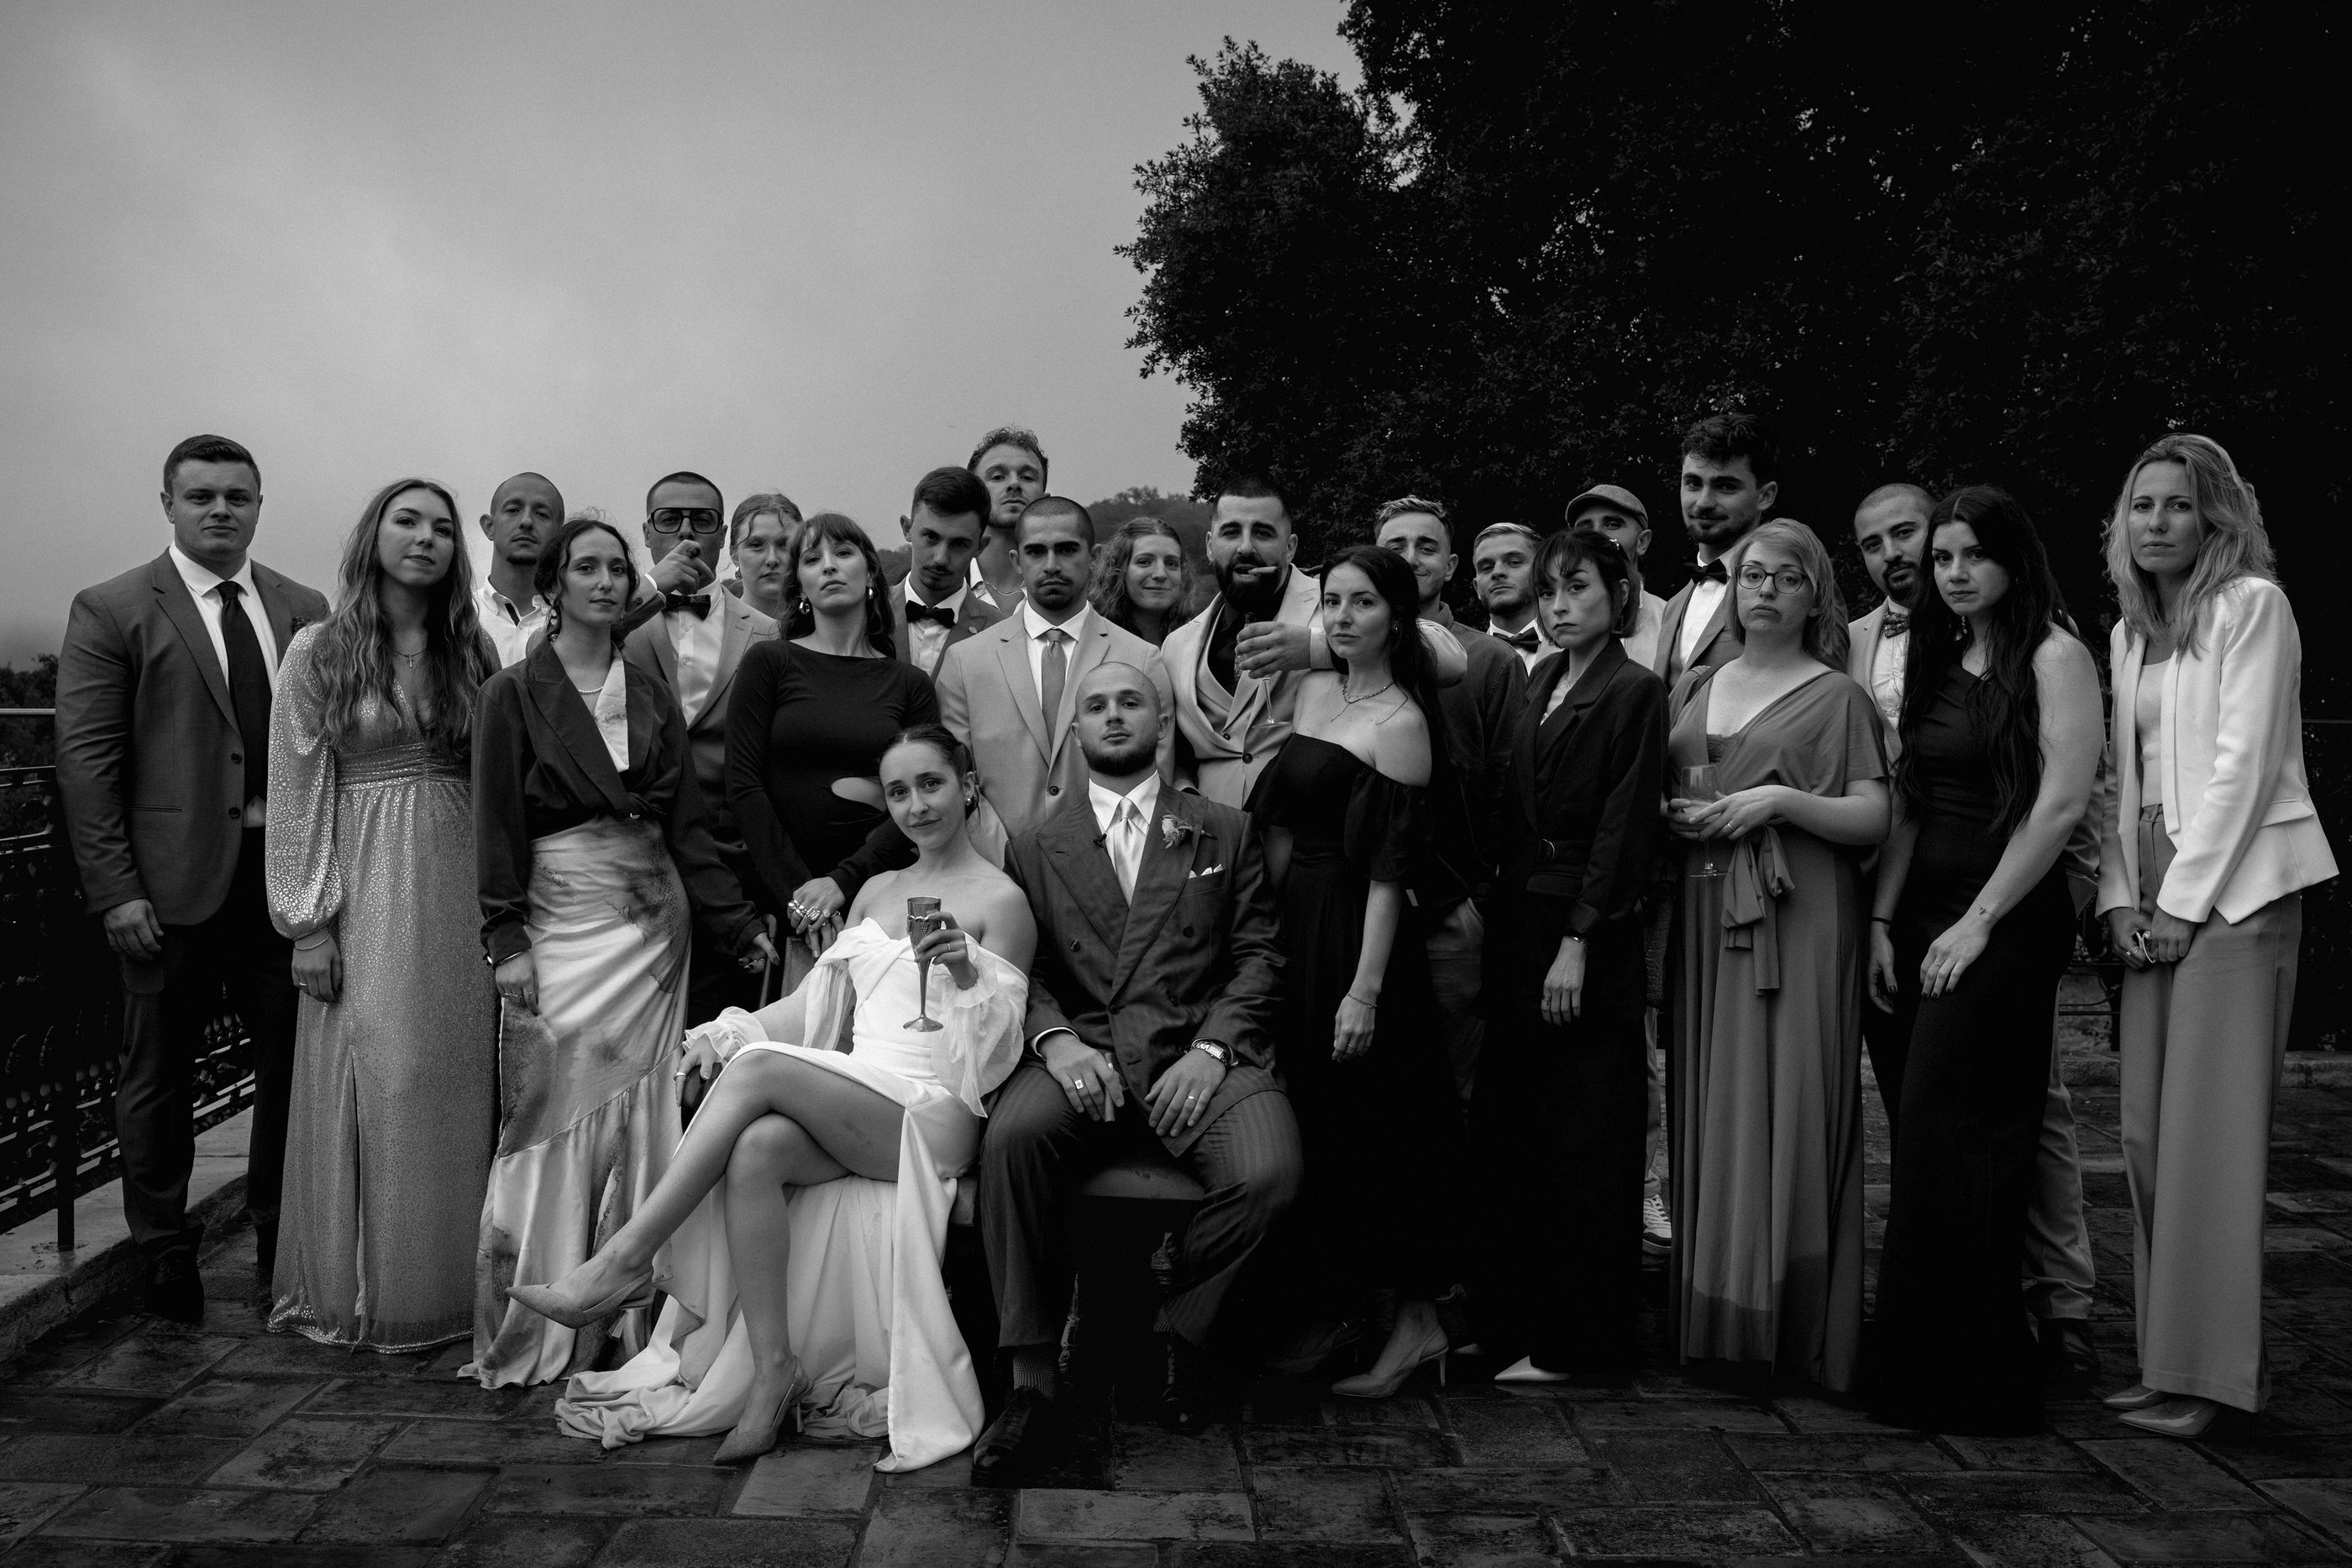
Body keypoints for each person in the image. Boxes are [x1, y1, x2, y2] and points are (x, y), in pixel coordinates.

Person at [514, 726, 1034, 1471]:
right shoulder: (877, 890)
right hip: (860, 1092)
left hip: (933, 1110)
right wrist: (728, 1033)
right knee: (756, 1150)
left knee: (756, 1072)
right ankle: (772, 1370)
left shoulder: (1002, 899)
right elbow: (813, 1007)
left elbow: (996, 1055)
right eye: (898, 792)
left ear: (968, 786)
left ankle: (624, 1258)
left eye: (932, 784)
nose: (916, 805)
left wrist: (964, 974)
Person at [470, 516, 779, 1387]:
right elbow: (494, 823)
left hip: (652, 933)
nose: (606, 581)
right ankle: (537, 1311)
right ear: (555, 585)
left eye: (616, 568)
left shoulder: (648, 689)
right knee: (543, 1111)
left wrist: (736, 924)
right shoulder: (510, 693)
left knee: (647, 1115)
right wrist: (505, 939)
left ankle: (630, 1324)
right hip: (556, 924)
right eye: (587, 568)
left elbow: (688, 827)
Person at [976, 663, 1299, 1476]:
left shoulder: (1222, 828)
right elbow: (1022, 970)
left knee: (1269, 1172)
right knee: (1012, 1141)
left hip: (1199, 1049)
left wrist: (1213, 1050)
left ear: (1161, 720)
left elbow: (1260, 956)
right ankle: (1031, 1380)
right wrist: (1056, 1041)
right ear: (1075, 731)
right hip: (1084, 1053)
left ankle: (1178, 1329)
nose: (1114, 716)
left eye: (1131, 702)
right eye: (1096, 705)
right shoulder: (1034, 844)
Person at [56, 433, 328, 1323]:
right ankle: (164, 1250)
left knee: (294, 1069)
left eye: (237, 497)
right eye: (202, 495)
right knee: (159, 1075)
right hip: (166, 891)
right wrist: (115, 888)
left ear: (259, 506)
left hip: (283, 885)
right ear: (168, 503)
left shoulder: (304, 608)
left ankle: (281, 1237)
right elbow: (87, 765)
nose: (220, 510)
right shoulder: (113, 608)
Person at [2095, 435, 2335, 1438]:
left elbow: (2242, 767)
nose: (2156, 522)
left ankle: (2214, 1377)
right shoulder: (2128, 632)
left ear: (2216, 516)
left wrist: (2180, 903)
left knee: (2212, 1142)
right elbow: (2119, 777)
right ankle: (2168, 1361)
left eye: (2179, 504)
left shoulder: (2251, 607)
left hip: (2233, 893)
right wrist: (2118, 894)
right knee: (2146, 1134)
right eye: (2142, 504)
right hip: (2152, 884)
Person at [1849, 482, 2102, 1385]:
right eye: (1944, 557)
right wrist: (1883, 920)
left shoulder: (2056, 655)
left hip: (2004, 914)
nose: (1953, 572)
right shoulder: (1937, 649)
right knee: (1924, 1135)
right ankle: (1921, 1357)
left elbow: (2060, 804)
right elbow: (1911, 799)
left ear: (2013, 558)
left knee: (1964, 1127)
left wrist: (1977, 924)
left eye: (1973, 555)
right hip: (1920, 908)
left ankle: (1979, 1368)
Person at [264, 478, 497, 1350]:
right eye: (408, 521)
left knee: (453, 1079)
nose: (426, 537)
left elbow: (496, 782)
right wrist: (307, 922)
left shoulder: (471, 651)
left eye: (442, 527)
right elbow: (295, 791)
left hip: (459, 887)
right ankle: (370, 1290)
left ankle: (452, 1285)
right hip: (363, 884)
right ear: (374, 536)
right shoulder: (318, 651)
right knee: (383, 1075)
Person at [1666, 520, 1887, 1392]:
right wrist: (1676, 814)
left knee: (1789, 1097)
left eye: (1785, 578)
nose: (1764, 590)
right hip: (1705, 907)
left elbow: (1873, 816)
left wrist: (1780, 802)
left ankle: (1790, 1325)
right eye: (1751, 574)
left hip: (1799, 913)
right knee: (1714, 1096)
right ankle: (1718, 1315)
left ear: (1813, 595)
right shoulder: (1696, 683)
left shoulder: (1838, 697)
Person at [1247, 546, 1463, 1400]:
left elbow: (1385, 872)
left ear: (1397, 617)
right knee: (1319, 1122)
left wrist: (1364, 991)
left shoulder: (1402, 722)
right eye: (1331, 600)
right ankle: (1333, 1314)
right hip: (1298, 922)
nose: (1340, 617)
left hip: (1358, 934)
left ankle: (1417, 1325)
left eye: (1362, 602)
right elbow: (1282, 823)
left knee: (1384, 1123)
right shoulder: (1313, 690)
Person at [1474, 528, 1665, 1380]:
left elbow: (1626, 828)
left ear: (1618, 594)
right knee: (1518, 1132)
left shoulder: (1634, 689)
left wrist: (1580, 937)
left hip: (1586, 931)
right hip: (1519, 922)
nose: (1557, 604)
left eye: (1577, 586)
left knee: (1589, 1135)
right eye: (1548, 589)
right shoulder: (1539, 677)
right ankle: (1513, 1322)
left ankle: (1581, 1342)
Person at [1163, 473, 1467, 808]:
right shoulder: (1177, 645)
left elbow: (1451, 661)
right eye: (1231, 532)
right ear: (1210, 545)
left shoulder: (1336, 602)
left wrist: (1315, 647)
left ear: (1290, 547)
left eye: (1263, 533)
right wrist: (1187, 797)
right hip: (1208, 829)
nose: (1246, 547)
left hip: (1304, 826)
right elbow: (1176, 752)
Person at [727, 512, 938, 965]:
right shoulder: (769, 663)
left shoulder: (910, 684)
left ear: (871, 573)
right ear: (800, 586)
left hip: (880, 892)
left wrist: (842, 882)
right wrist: (801, 899)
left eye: (843, 553)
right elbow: (744, 787)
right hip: (783, 899)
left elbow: (924, 796)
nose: (828, 565)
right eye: (812, 559)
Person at [1374, 496, 1525, 1103]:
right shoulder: (1343, 657)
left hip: (1455, 907)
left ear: (1453, 564)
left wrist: (1479, 898)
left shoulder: (1491, 660)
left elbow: (1506, 789)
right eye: (1396, 547)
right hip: (1364, 903)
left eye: (1427, 546)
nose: (1412, 558)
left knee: (1459, 1084)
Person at [936, 497, 1175, 859]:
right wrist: (1006, 865)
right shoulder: (965, 662)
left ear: (1094, 556)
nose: (1051, 565)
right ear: (1017, 560)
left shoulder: (1142, 658)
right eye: (1036, 552)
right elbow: (957, 781)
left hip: (1115, 866)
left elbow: (1157, 781)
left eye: (1066, 550)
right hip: (1000, 867)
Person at [627, 473, 782, 1021]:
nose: (686, 531)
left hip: (733, 866)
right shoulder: (612, 621)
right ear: (648, 533)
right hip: (636, 863)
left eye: (703, 519)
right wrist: (647, 588)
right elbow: (546, 652)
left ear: (722, 536)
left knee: (723, 1038)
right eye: (670, 519)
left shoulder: (767, 633)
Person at [1655, 414, 1778, 686]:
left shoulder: (1795, 588)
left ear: (1764, 496)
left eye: (1725, 486)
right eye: (1693, 483)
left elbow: (1827, 701)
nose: (1703, 502)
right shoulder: (1673, 606)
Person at [892, 467, 1011, 679]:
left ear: (980, 546)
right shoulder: (863, 613)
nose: (941, 558)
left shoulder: (1001, 633)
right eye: (931, 537)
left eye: (959, 544)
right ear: (907, 529)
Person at [1564, 484, 1667, 670]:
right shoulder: (1553, 621)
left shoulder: (1669, 620)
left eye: (1612, 524)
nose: (1596, 535)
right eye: (1585, 527)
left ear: (1642, 542)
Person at [475, 472, 564, 667]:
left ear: (560, 536)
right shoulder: (458, 617)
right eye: (513, 510)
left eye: (541, 514)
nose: (526, 522)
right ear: (489, 526)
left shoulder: (576, 624)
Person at [969, 427, 1047, 606]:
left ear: (1045, 500)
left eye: (1027, 477)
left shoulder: (1080, 596)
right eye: (997, 477)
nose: (1014, 484)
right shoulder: (935, 588)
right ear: (971, 496)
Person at [1092, 516, 1194, 645]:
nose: (1160, 574)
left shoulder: (1199, 641)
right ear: (1119, 569)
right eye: (1145, 562)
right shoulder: (1090, 640)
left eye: (1171, 563)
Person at [1470, 522, 1546, 671]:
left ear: (1541, 574)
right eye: (1486, 567)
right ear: (1477, 588)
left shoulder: (1577, 648)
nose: (1497, 572)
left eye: (1514, 562)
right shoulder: (1462, 658)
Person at [726, 491, 801, 621]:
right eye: (756, 545)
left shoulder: (829, 626)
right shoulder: (716, 628)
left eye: (785, 544)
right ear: (734, 555)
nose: (772, 559)